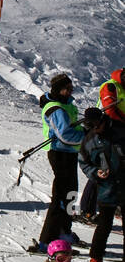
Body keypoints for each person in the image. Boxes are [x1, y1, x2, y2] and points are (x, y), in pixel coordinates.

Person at [30, 73, 85, 252]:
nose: (69, 92)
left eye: (71, 89)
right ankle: (47, 240)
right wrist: (87, 135)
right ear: (57, 89)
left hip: (69, 153)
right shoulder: (55, 108)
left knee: (70, 193)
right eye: (66, 89)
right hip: (60, 153)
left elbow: (72, 128)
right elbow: (65, 135)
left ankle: (63, 231)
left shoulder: (66, 105)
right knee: (61, 196)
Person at [79, 107, 125, 262]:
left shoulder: (120, 129)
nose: (94, 129)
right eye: (91, 126)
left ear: (102, 120)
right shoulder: (89, 140)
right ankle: (95, 261)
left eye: (96, 125)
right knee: (104, 226)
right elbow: (84, 162)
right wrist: (95, 172)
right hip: (107, 187)